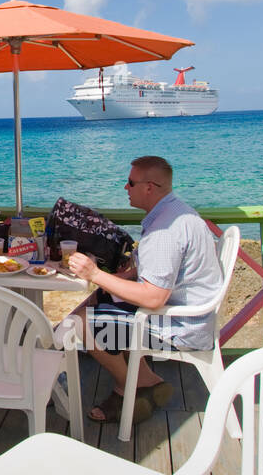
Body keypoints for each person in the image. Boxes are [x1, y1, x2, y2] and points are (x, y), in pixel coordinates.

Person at [65, 156, 224, 425]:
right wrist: (115, 279)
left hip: (180, 326)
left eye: (130, 183)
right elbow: (154, 272)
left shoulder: (165, 230)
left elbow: (153, 297)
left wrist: (95, 274)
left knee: (79, 325)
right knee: (100, 297)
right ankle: (144, 379)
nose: (125, 188)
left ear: (149, 187)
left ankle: (133, 388)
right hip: (186, 313)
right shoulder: (174, 212)